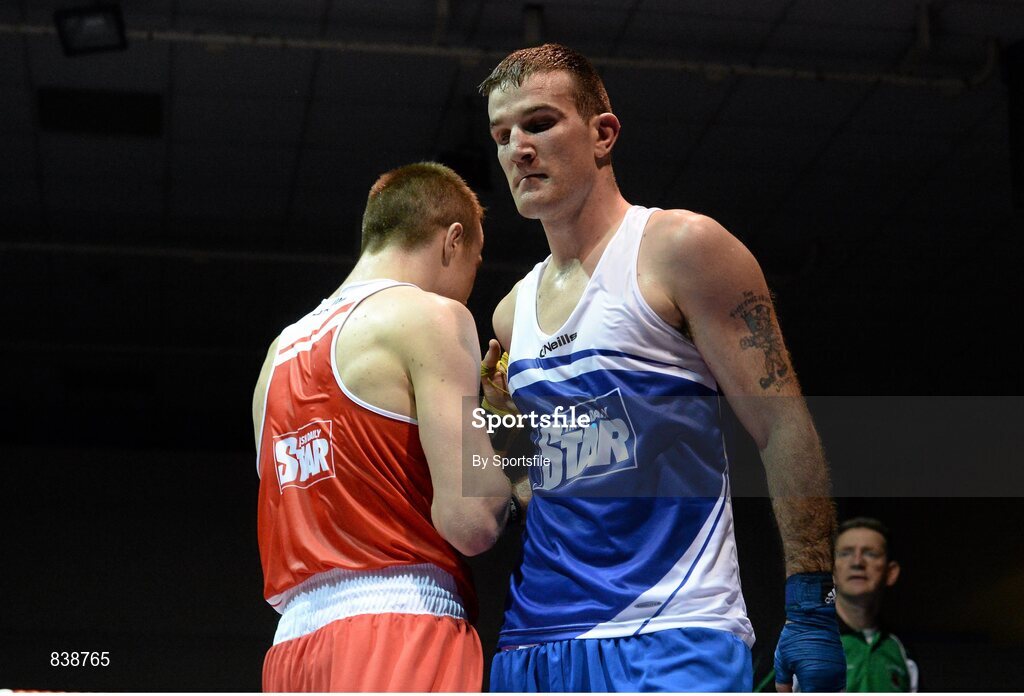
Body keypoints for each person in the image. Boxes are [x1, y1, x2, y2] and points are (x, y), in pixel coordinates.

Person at [476, 44, 845, 692]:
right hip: (536, 644)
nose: (518, 150)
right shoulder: (511, 314)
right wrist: (499, 427)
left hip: (673, 633)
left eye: (538, 124)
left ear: (603, 133)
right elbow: (540, 488)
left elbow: (783, 428)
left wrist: (811, 604)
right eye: (502, 135)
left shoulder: (683, 250)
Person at [252, 162, 522, 692]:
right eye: (476, 261)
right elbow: (473, 522)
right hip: (401, 631)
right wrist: (509, 424)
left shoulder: (275, 357)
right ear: (453, 240)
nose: (470, 285)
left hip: (291, 650)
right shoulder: (432, 317)